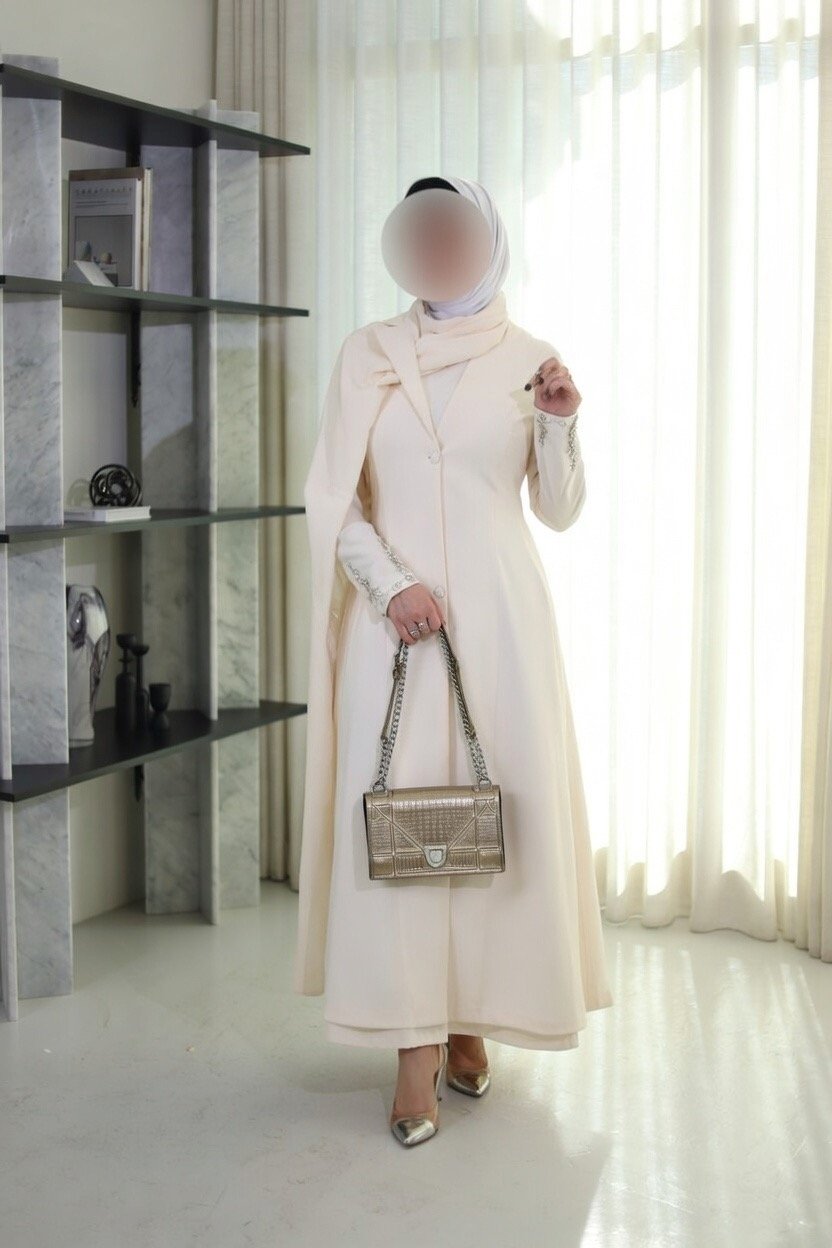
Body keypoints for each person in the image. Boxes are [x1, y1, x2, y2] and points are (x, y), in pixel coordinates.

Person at [295, 174, 614, 1148]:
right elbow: (333, 497)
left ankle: (473, 1018)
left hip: (502, 625)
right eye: (421, 234)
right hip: (395, 626)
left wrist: (559, 422)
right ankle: (413, 1050)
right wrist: (391, 586)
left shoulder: (530, 358)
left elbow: (558, 510)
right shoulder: (367, 354)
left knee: (489, 819)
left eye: (454, 233)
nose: (437, 249)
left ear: (488, 243)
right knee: (402, 825)